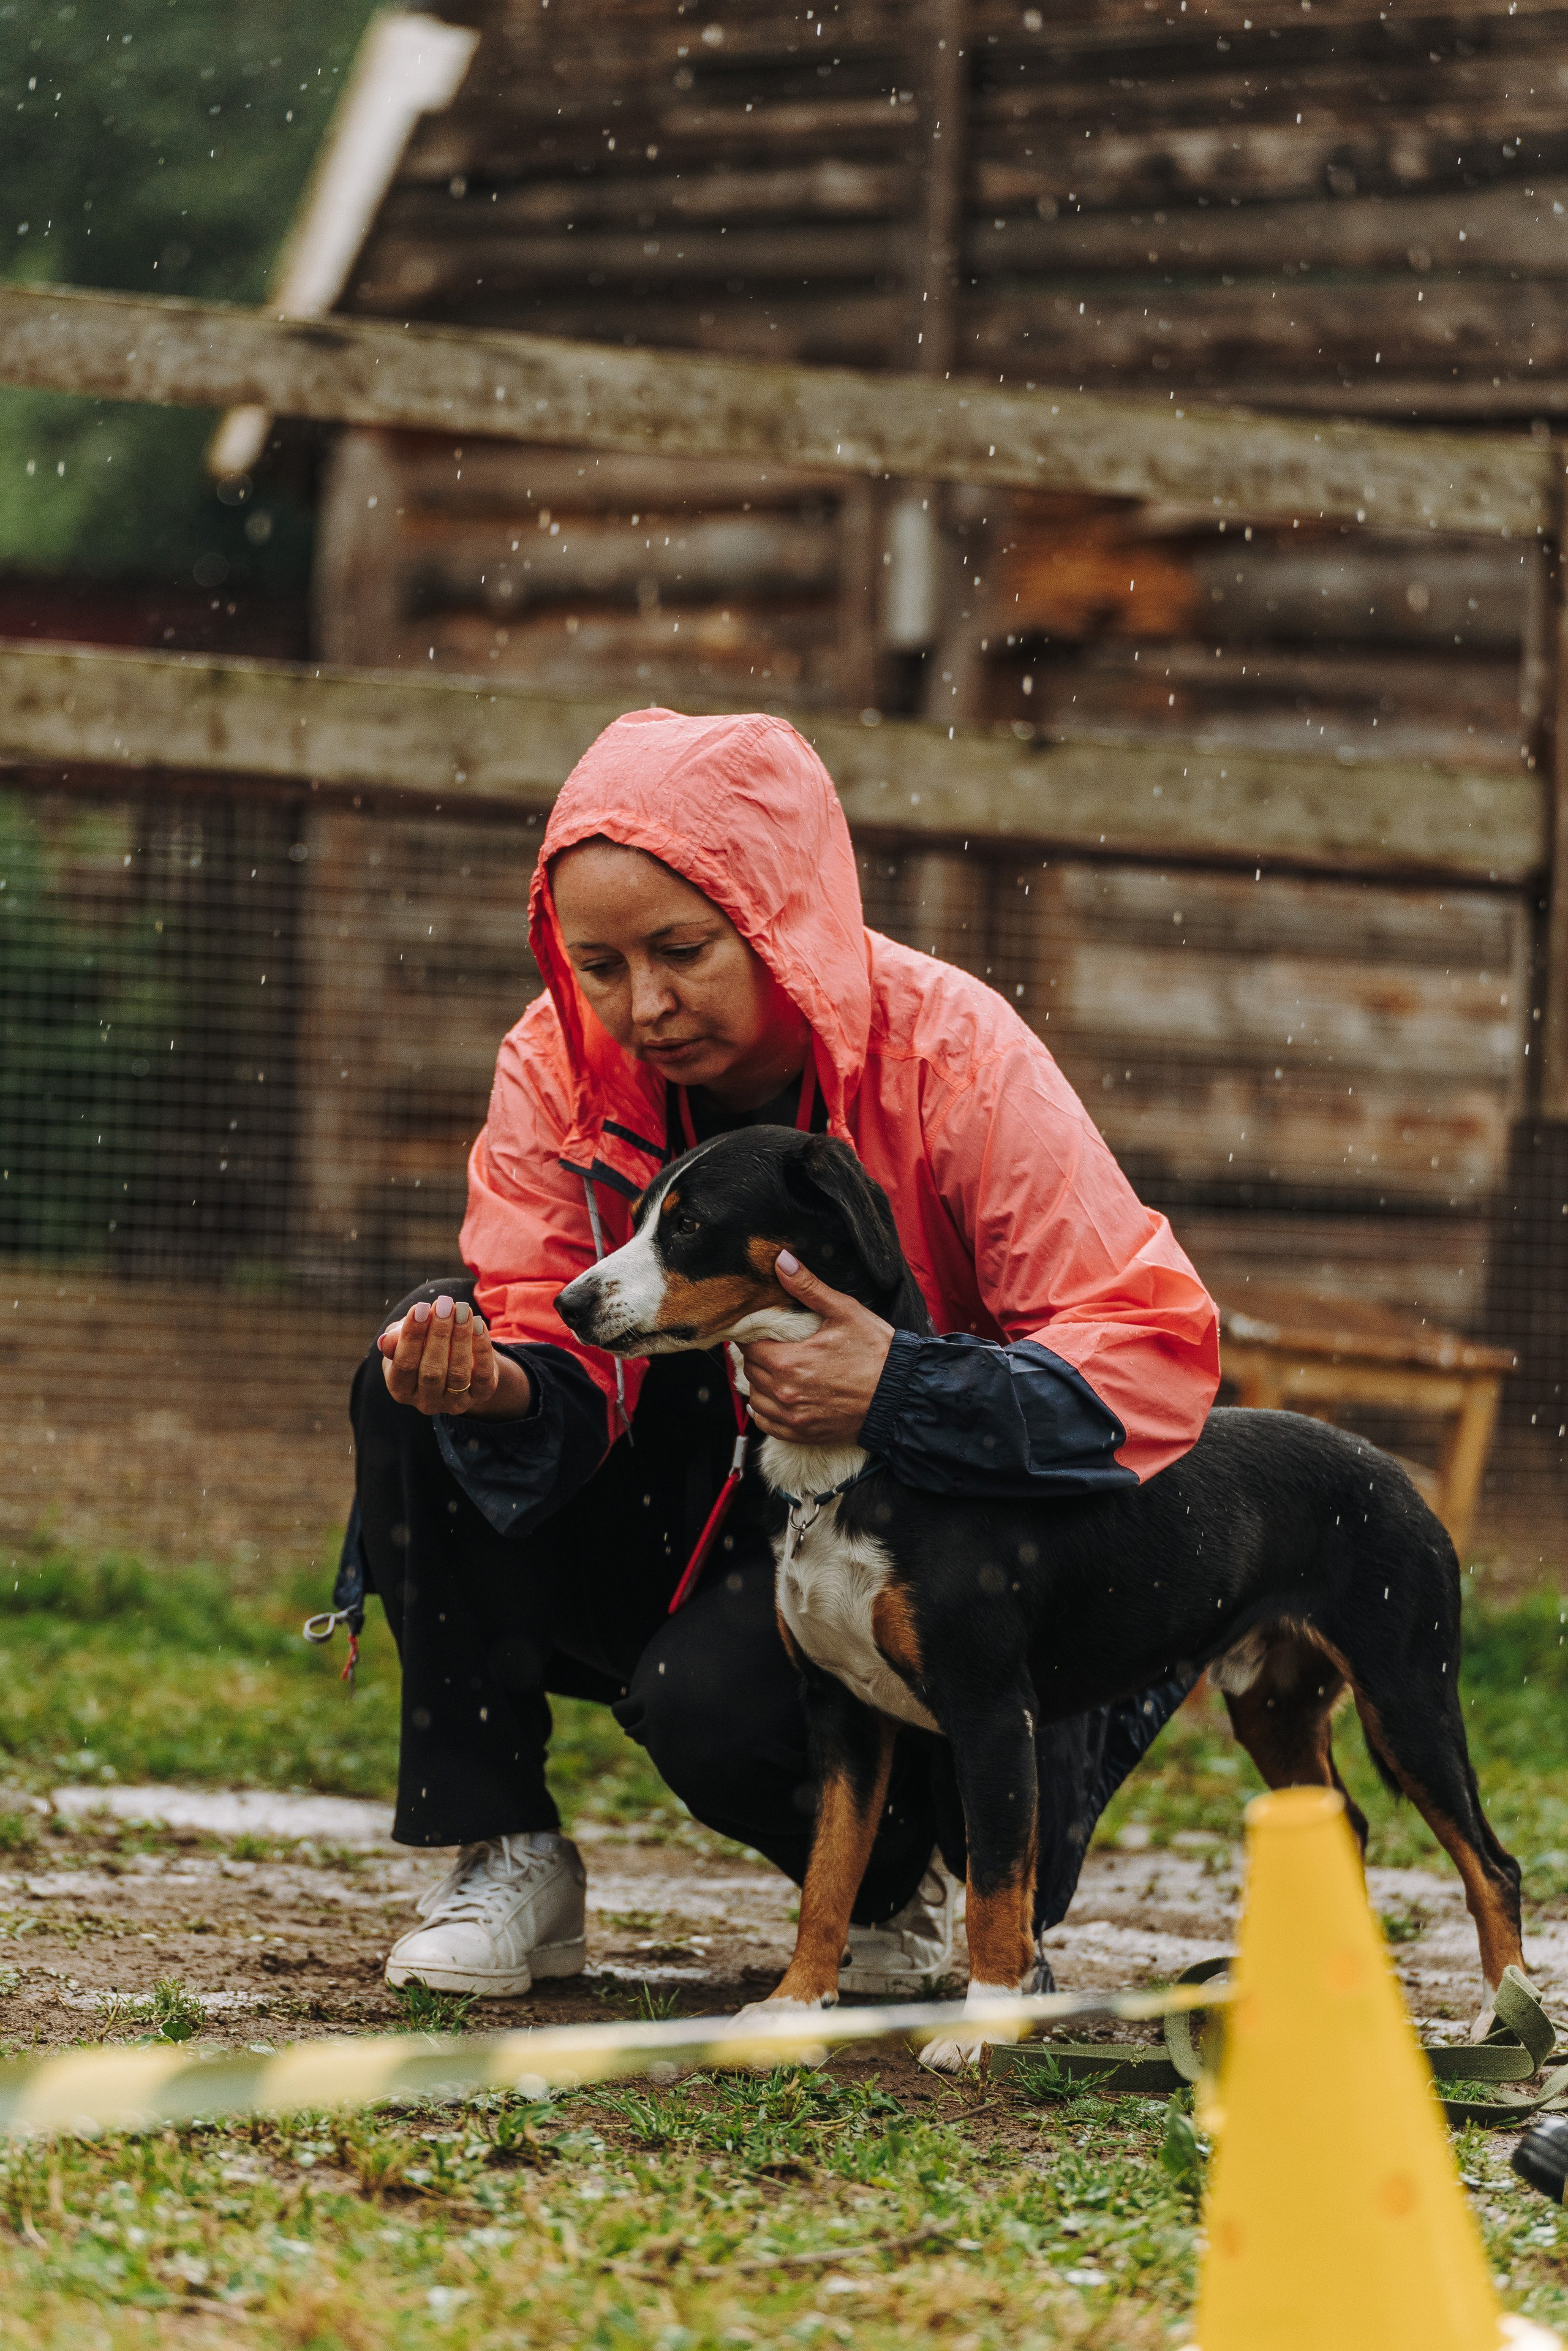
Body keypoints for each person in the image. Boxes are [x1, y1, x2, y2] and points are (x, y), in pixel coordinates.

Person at [339, 708, 1220, 1999]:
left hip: (959, 1554)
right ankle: (503, 1850)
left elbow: (1145, 1353)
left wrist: (904, 1383)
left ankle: (917, 1880)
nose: (642, 1004)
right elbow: (537, 1301)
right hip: (726, 1493)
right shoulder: (553, 1063)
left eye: (681, 949)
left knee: (712, 1707)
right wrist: (498, 1380)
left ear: (780, 915)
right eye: (595, 965)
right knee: (411, 1381)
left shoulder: (956, 1053)